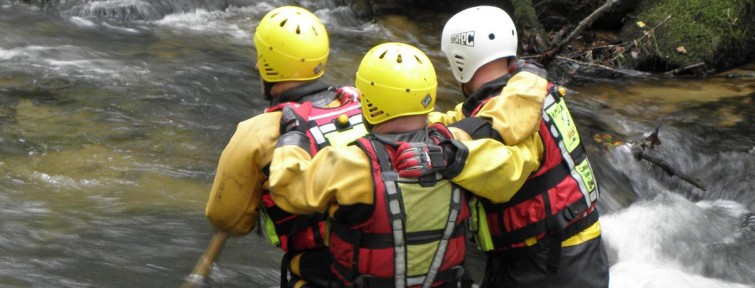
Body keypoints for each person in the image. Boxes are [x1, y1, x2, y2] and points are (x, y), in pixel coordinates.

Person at [268, 42, 527, 288]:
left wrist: (294, 134)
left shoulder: (347, 163)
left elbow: (286, 189)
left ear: (368, 101)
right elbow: (511, 173)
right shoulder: (459, 150)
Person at [429, 5, 610, 288]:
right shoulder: (524, 91)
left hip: (548, 263)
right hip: (570, 249)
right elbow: (467, 121)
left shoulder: (514, 110)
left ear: (460, 59)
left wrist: (444, 154)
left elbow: (501, 171)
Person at [204, 6, 369, 288]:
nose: (257, 66)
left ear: (269, 63)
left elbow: (228, 219)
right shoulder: (363, 103)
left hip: (319, 276)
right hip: (389, 267)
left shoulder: (258, 132)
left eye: (261, 58)